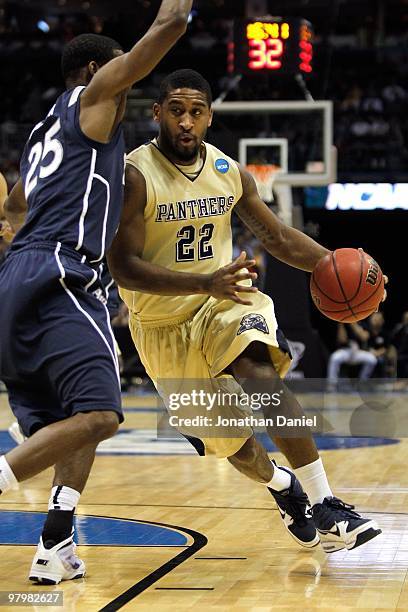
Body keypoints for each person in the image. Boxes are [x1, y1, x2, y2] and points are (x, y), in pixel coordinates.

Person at [108, 69, 383, 554]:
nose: (186, 122)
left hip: (224, 300)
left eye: (196, 112)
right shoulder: (134, 175)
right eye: (176, 111)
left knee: (258, 370)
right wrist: (201, 281)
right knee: (238, 449)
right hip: (160, 327)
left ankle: (326, 503)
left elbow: (277, 238)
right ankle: (283, 486)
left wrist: (341, 267)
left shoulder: (227, 170)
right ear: (157, 114)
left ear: (210, 117)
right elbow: (124, 269)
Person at [0, 0, 193, 584]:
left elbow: (12, 209)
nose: (129, 84)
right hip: (63, 271)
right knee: (106, 414)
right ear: (92, 73)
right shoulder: (92, 99)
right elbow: (170, 26)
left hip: (19, 275)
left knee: (73, 417)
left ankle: (55, 544)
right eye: (120, 72)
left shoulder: (41, 135)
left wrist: (13, 237)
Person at [327, 323, 377, 388]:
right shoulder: (342, 323)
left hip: (357, 351)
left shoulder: (361, 322)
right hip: (346, 351)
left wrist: (352, 323)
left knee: (372, 359)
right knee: (335, 358)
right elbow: (342, 339)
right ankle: (332, 384)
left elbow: (364, 337)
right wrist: (341, 323)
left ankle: (362, 382)